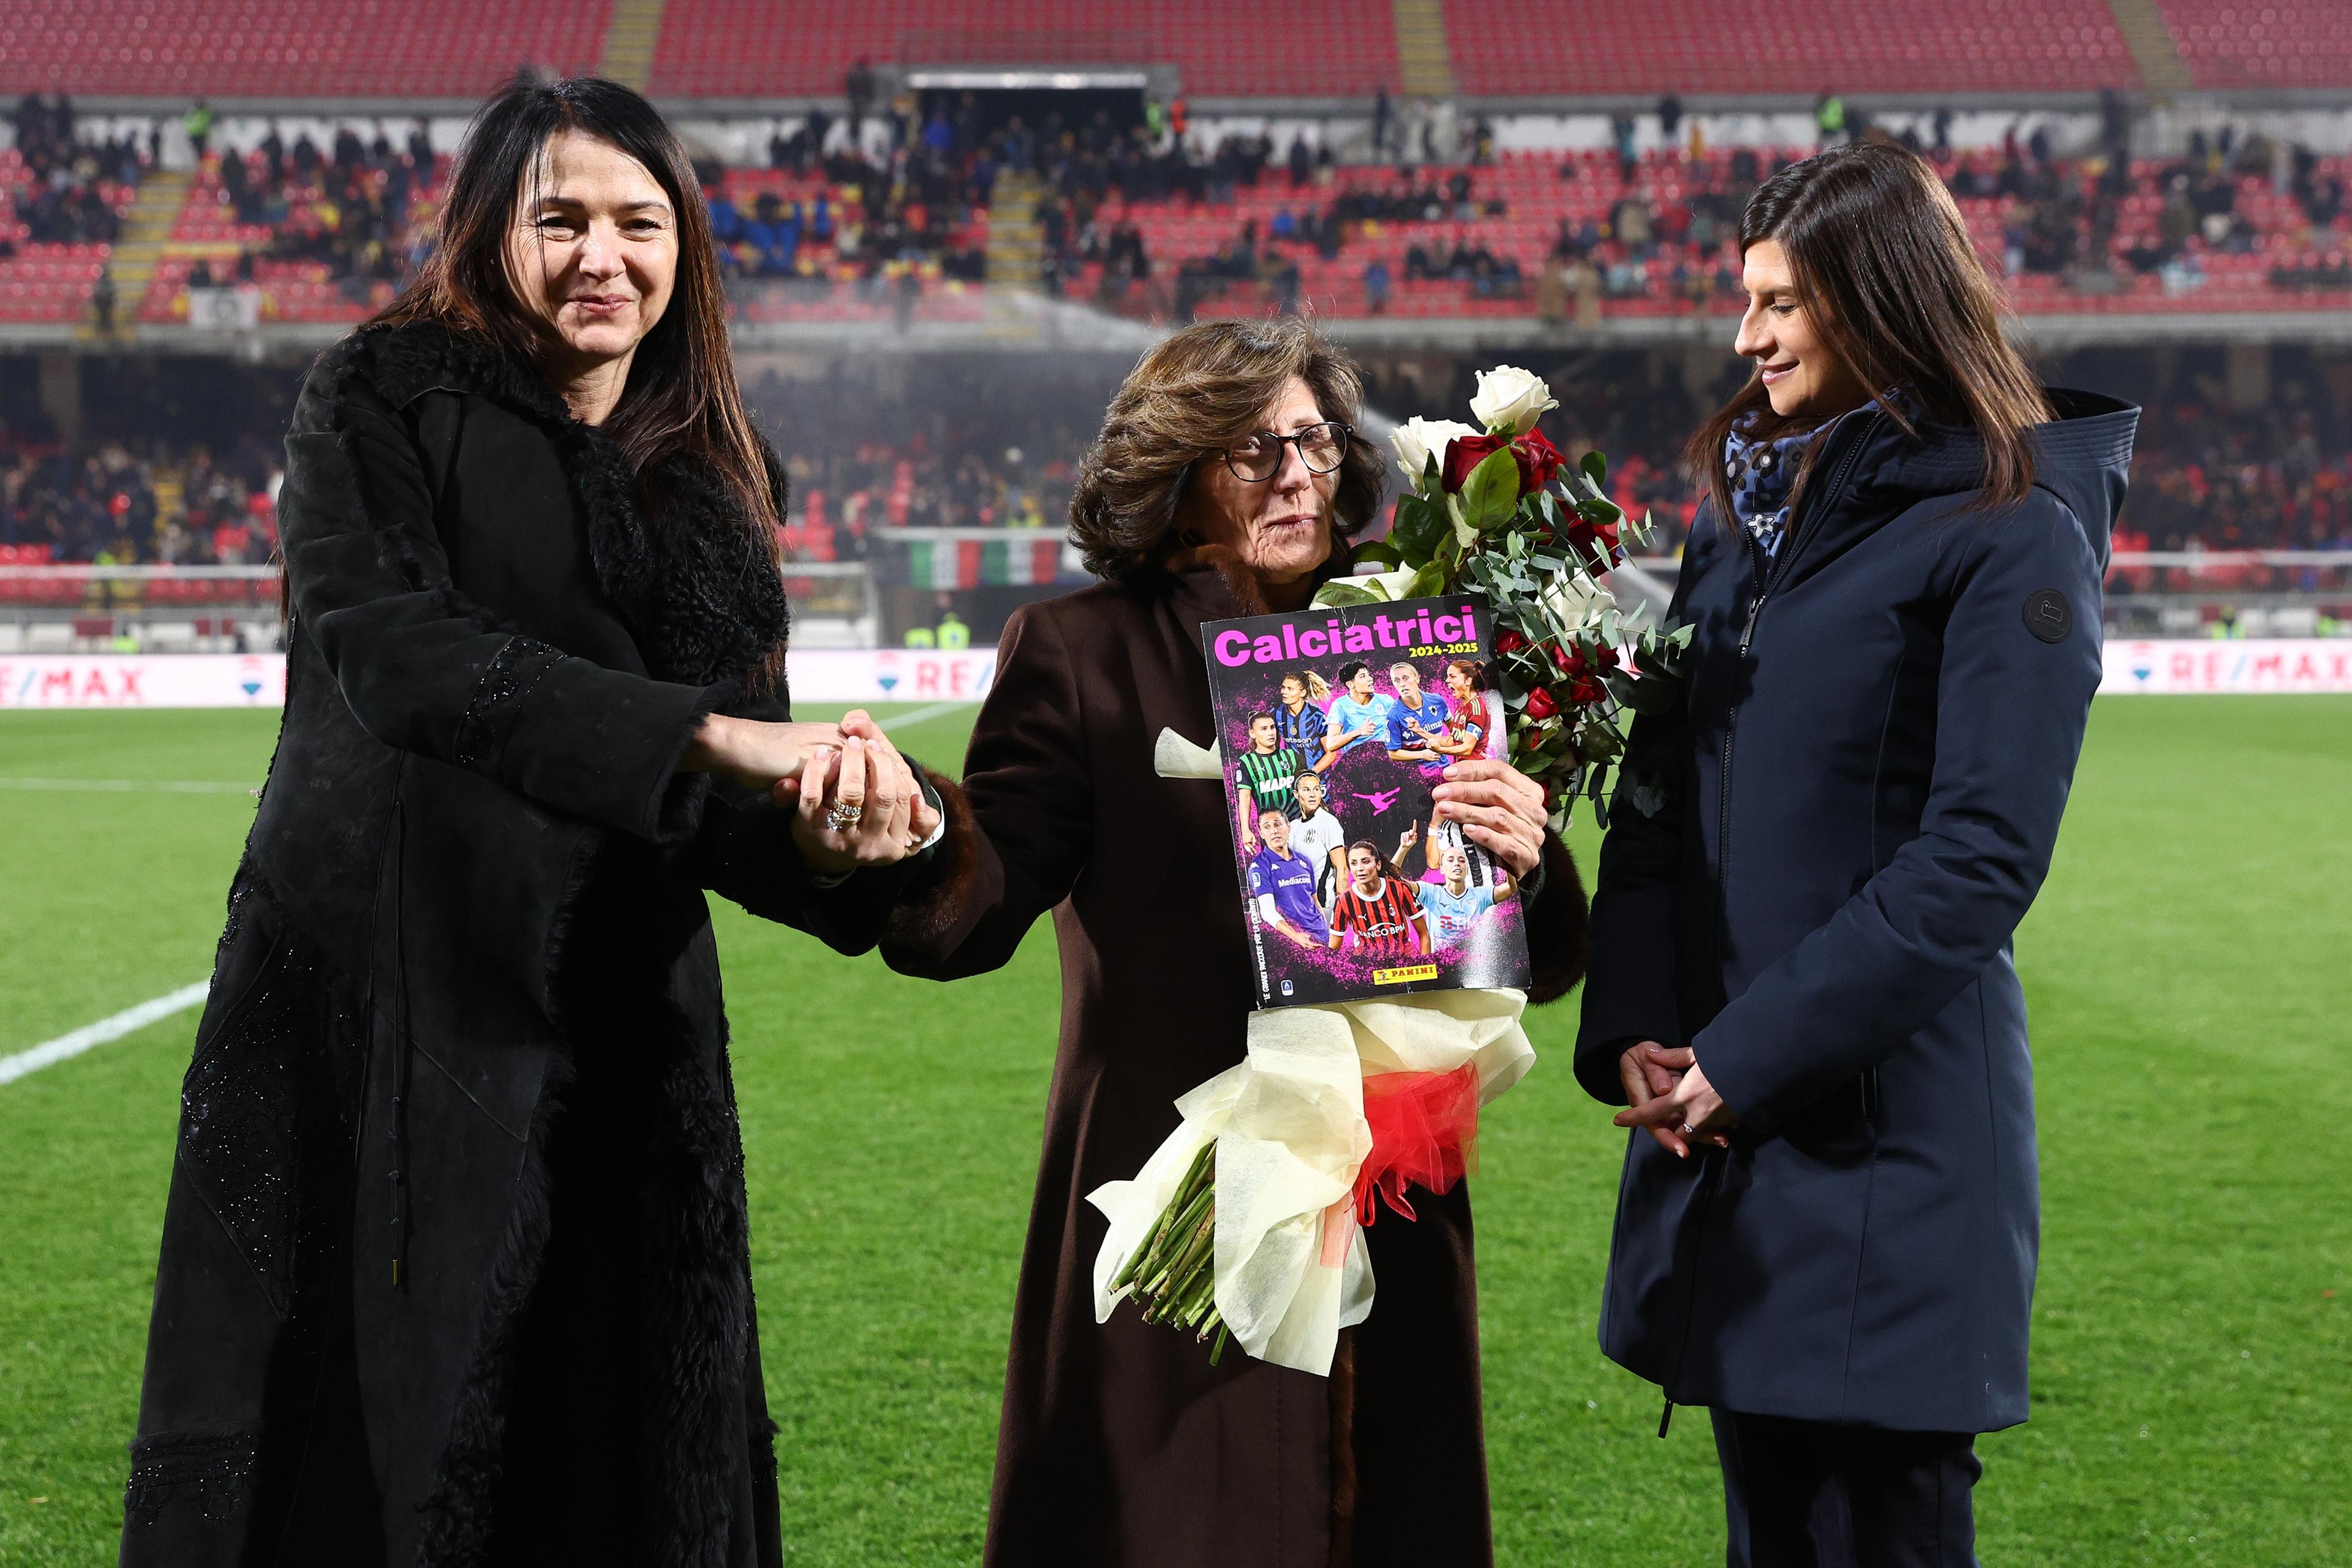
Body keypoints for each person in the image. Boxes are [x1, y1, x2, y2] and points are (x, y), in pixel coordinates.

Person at [119, 76, 944, 1568]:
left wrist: (830, 840)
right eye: (557, 218)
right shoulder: (376, 395)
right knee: (356, 1469)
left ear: (683, 246)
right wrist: (700, 727)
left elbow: (723, 817)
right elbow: (393, 649)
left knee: (615, 1463)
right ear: (490, 231)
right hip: (374, 1019)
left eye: (638, 222)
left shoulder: (713, 484)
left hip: (627, 1052)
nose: (599, 256)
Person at [875, 318, 1591, 1566]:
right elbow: (987, 891)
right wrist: (915, 826)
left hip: (1387, 1194)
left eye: (1314, 439)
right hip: (1176, 1189)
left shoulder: (1414, 636)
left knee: (1387, 1507)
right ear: (1175, 470)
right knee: (1172, 1516)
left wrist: (1528, 844)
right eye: (1252, 449)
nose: (1297, 472)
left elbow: (1537, 948)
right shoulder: (1084, 648)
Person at [1574, 141, 2137, 1567]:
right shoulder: (1736, 531)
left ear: (1878, 305)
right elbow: (1650, 800)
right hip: (1728, 1147)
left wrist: (1741, 1059)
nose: (1743, 335)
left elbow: (1977, 859)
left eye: (1778, 303)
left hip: (1889, 1157)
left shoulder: (2014, 530)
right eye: (1743, 298)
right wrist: (1641, 1018)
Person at [1246, 804, 1332, 950]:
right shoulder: (1260, 866)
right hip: (1296, 943)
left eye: (1278, 824)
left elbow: (1315, 900)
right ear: (1261, 833)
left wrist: (1326, 929)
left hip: (1324, 938)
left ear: (1288, 827)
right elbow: (1267, 912)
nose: (1274, 831)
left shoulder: (1305, 861)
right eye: (1267, 827)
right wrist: (1296, 937)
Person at [1328, 838, 1428, 957]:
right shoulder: (1344, 900)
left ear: (1378, 865)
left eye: (1365, 862)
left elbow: (1424, 934)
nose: (1360, 868)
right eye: (1354, 863)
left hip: (1404, 965)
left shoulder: (1400, 889)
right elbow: (1333, 952)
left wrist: (1425, 966)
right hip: (1368, 967)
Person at [1234, 709, 1306, 849]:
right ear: (1252, 733)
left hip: (1298, 824)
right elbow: (1245, 799)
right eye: (1264, 729)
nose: (1271, 732)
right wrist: (1245, 829)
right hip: (1272, 830)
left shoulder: (1291, 755)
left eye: (1272, 727)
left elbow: (1304, 787)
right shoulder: (1247, 762)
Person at [1420, 842, 1513, 948]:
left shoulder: (1481, 895)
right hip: (1441, 962)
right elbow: (1399, 884)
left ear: (1467, 869)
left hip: (1470, 961)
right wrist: (1404, 849)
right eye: (1451, 860)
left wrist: (1507, 862)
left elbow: (1511, 888)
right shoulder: (1431, 893)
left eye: (1462, 861)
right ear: (1441, 869)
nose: (1457, 864)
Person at [1284, 764, 1349, 912]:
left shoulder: (1327, 822)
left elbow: (1341, 867)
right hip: (1299, 905)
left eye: (1316, 789)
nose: (1313, 794)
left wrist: (1344, 908)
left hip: (1323, 905)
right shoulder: (1293, 827)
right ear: (1296, 794)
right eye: (1307, 790)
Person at [1322, 658, 1393, 758]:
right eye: (1363, 676)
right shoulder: (1340, 706)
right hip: (1357, 762)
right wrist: (1359, 732)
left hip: (1387, 759)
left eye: (1369, 675)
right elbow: (1331, 744)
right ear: (1350, 684)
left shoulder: (1386, 700)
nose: (1370, 679)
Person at [1271, 666, 1330, 760]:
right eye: (1283, 687)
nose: (1284, 692)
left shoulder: (1316, 715)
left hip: (1317, 773)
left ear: (1302, 693)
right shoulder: (1277, 712)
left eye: (1290, 689)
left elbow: (1331, 753)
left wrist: (1311, 774)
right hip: (1293, 773)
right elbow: (1274, 746)